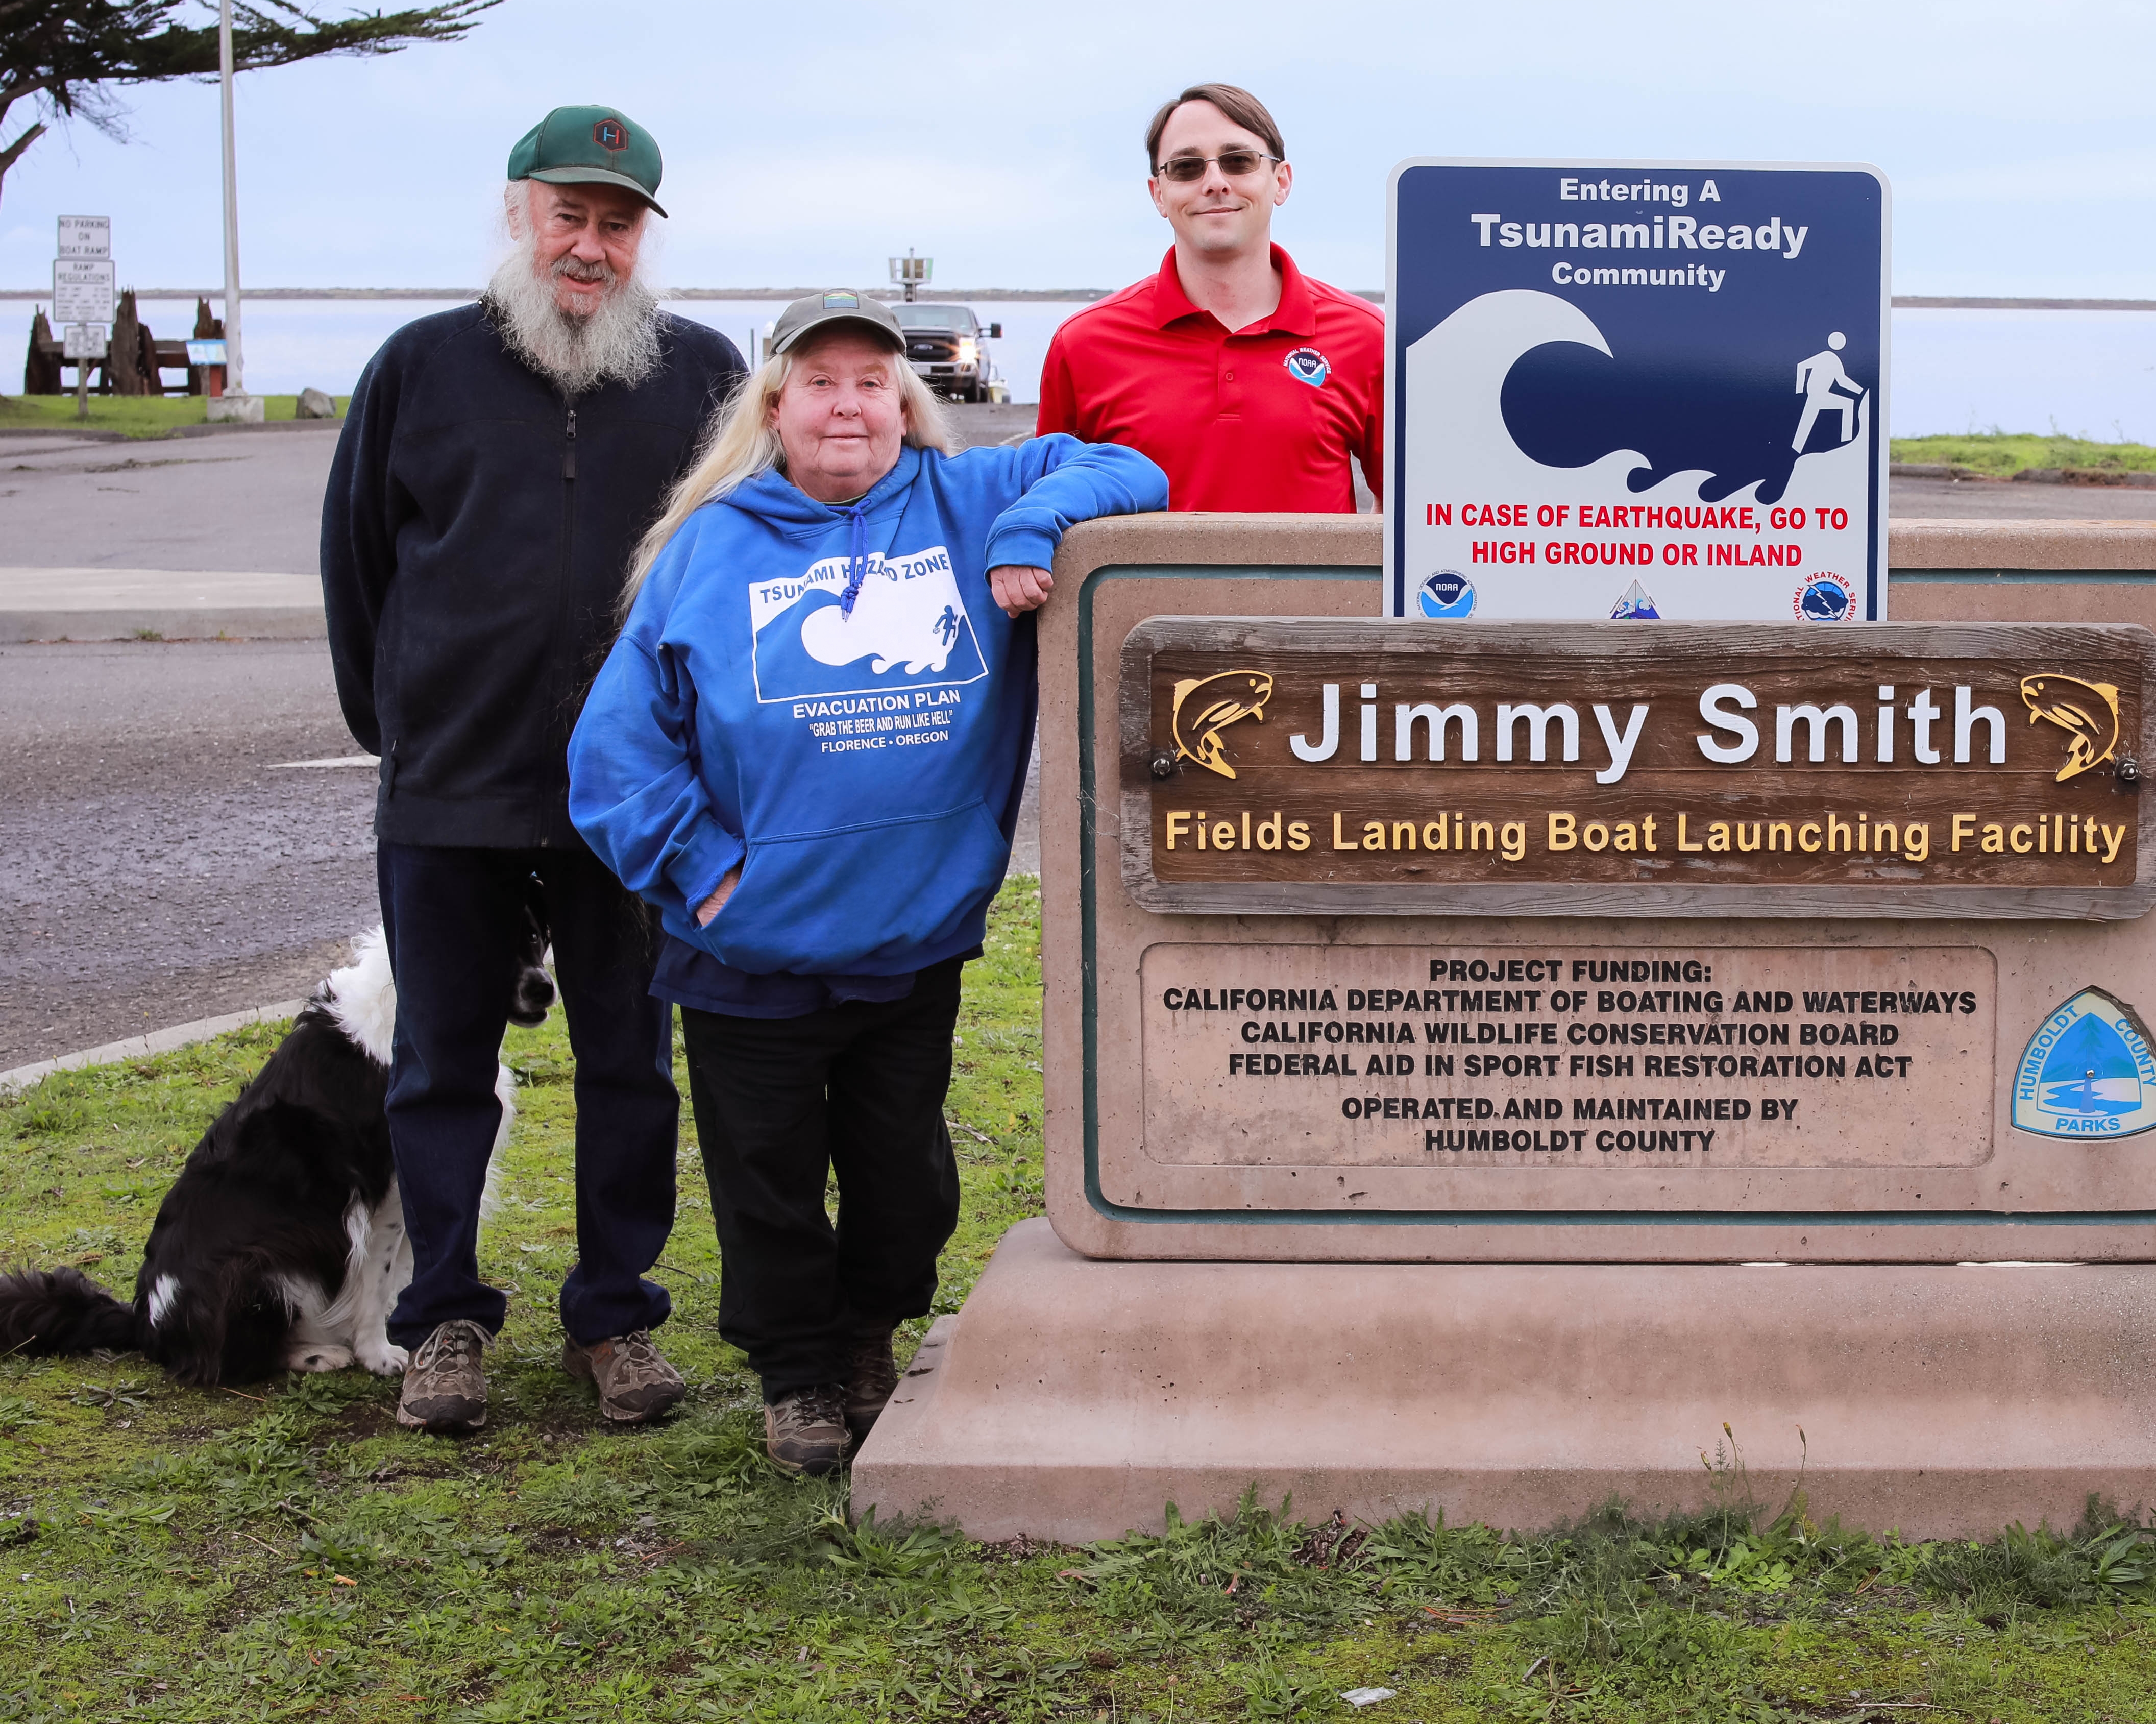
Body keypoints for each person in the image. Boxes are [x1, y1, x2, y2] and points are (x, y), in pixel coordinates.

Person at [570, 292, 1167, 1473]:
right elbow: (614, 750)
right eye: (820, 381)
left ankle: (864, 1333)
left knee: (903, 1176)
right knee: (770, 1179)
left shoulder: (963, 497)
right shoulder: (714, 540)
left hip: (910, 939)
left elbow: (1128, 464)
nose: (848, 403)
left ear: (905, 405)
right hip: (746, 947)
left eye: (871, 382)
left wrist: (1024, 532)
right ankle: (795, 1373)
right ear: (776, 407)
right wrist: (704, 868)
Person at [321, 105, 745, 1434]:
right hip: (452, 784)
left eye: (618, 222)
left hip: (635, 797)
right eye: (570, 213)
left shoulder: (701, 375)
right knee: (439, 1062)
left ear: (642, 240)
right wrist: (405, 728)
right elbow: (358, 568)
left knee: (632, 1060)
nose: (592, 243)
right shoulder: (420, 367)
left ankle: (614, 1314)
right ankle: (442, 1309)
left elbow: (735, 566)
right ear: (519, 211)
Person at [1034, 83, 1384, 510]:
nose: (1215, 182)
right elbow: (1049, 507)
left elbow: (1408, 513)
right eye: (1186, 167)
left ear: (1281, 180)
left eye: (1239, 161)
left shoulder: (1369, 338)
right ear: (1158, 194)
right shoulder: (1083, 344)